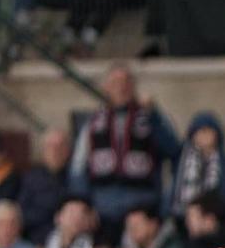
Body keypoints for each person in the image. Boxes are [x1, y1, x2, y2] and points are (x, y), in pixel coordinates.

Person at [69, 64, 181, 239]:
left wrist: (153, 115)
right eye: (115, 82)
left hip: (142, 206)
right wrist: (83, 204)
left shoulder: (152, 117)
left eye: (126, 82)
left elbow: (173, 151)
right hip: (101, 209)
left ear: (134, 87)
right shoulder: (92, 123)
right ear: (106, 87)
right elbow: (78, 167)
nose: (121, 87)